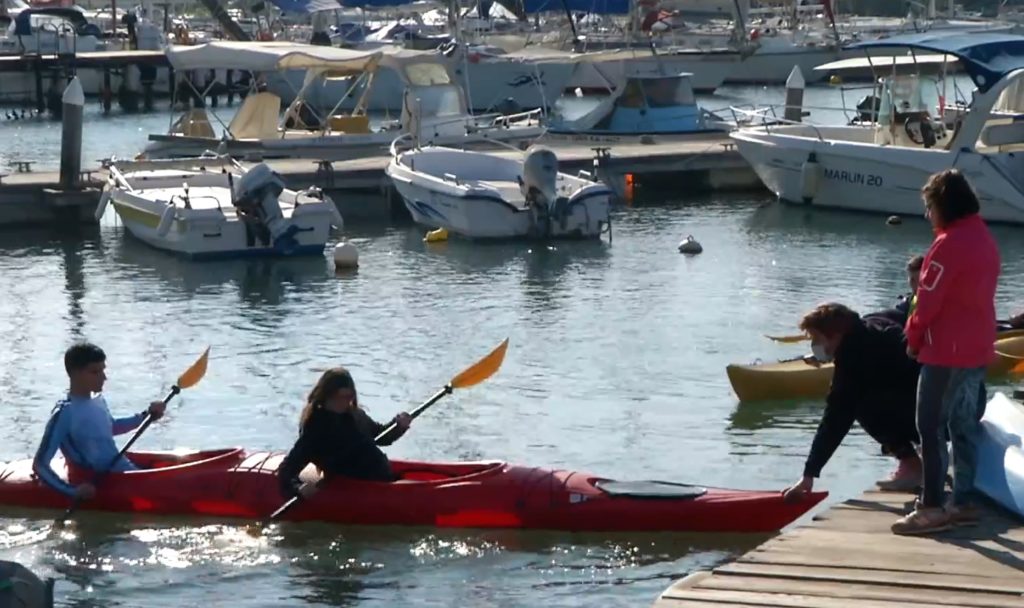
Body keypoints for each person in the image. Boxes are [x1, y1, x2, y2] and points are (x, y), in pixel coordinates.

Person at [892, 169, 1000, 536]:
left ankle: (932, 506)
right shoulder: (984, 237)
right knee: (964, 423)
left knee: (930, 426)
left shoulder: (947, 244)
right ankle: (964, 500)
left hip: (945, 351)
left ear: (943, 205)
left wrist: (913, 337)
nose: (927, 215)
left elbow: (927, 302)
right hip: (978, 346)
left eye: (929, 207)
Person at [783, 303, 922, 503]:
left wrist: (809, 474)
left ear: (835, 335)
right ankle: (923, 454)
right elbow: (902, 309)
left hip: (936, 416)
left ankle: (912, 465)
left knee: (859, 405)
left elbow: (835, 420)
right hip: (954, 407)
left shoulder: (853, 360)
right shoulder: (872, 323)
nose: (814, 345)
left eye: (816, 339)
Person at [33, 343, 166, 500]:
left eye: (103, 370)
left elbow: (111, 427)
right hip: (95, 481)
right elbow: (40, 464)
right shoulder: (64, 413)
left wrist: (147, 416)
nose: (104, 377)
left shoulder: (98, 400)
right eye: (95, 372)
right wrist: (73, 491)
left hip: (122, 471)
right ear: (75, 374)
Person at [277, 368, 413, 500]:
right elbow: (287, 470)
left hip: (382, 477)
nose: (344, 402)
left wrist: (398, 426)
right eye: (339, 397)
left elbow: (381, 437)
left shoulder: (355, 415)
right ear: (326, 396)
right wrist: (298, 489)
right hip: (358, 486)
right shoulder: (317, 428)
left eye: (348, 397)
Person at [868, 255, 924, 327]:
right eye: (911, 279)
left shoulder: (933, 303)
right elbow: (893, 314)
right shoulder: (909, 300)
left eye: (916, 279)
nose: (912, 283)